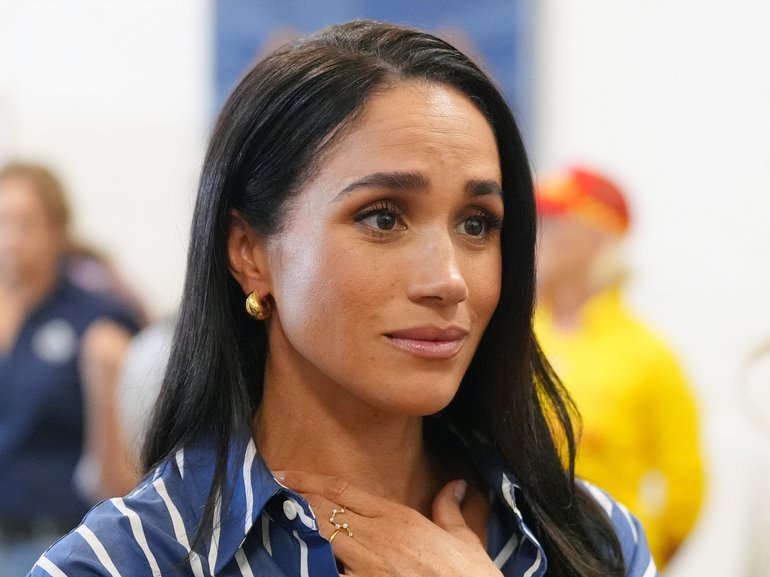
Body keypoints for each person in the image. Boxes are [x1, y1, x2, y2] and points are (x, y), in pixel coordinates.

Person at [29, 22, 656, 577]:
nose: (449, 279)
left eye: (476, 224)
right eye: (383, 218)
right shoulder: (124, 562)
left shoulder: (593, 538)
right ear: (250, 252)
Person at [534, 166, 705, 569]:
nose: (540, 236)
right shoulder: (513, 336)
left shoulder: (648, 354)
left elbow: (686, 489)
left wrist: (639, 556)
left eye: (557, 225)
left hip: (602, 559)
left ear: (600, 240)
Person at [0, 162, 142, 574]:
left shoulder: (98, 321)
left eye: (27, 223)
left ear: (58, 231)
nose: (12, 239)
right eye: (4, 222)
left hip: (59, 542)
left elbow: (130, 473)